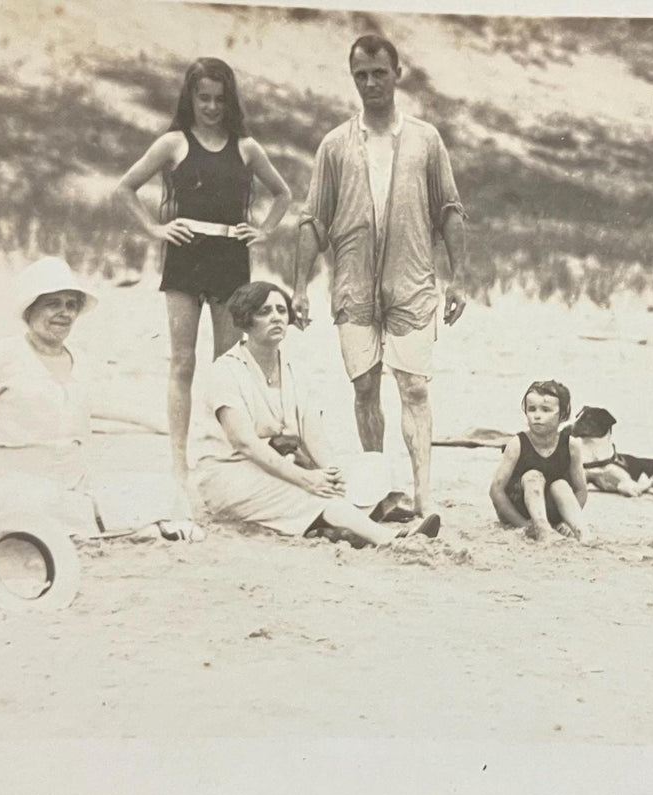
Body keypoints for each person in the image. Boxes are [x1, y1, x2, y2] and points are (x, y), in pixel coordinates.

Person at [0, 257, 187, 583]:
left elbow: (105, 409)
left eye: (71, 305)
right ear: (29, 310)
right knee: (38, 501)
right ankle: (110, 527)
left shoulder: (81, 361)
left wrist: (164, 425)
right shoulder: (0, 358)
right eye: (52, 304)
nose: (64, 313)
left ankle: (81, 525)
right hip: (5, 483)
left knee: (163, 488)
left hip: (74, 484)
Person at [292, 34, 467, 517]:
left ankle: (424, 497)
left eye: (379, 73)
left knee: (414, 387)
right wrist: (298, 287)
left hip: (411, 280)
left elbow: (450, 209)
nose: (370, 83)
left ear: (397, 74)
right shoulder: (334, 145)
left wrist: (459, 278)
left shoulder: (426, 140)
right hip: (352, 282)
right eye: (361, 75)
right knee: (365, 388)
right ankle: (382, 492)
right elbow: (313, 220)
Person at [114, 57, 293, 507]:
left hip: (231, 258)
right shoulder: (173, 143)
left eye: (219, 99)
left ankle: (229, 453)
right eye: (203, 98)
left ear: (229, 100)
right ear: (190, 98)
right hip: (186, 257)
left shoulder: (246, 147)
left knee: (228, 363)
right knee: (183, 362)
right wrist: (155, 229)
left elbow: (283, 193)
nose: (211, 107)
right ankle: (178, 462)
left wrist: (265, 230)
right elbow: (125, 188)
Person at [192, 281, 441, 546]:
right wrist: (308, 479)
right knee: (315, 496)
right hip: (231, 475)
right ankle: (390, 539)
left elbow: (314, 437)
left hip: (282, 468)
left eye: (281, 310)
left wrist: (331, 475)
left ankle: (338, 525)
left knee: (372, 467)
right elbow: (245, 443)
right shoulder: (226, 371)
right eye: (264, 311)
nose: (276, 317)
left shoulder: (295, 370)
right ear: (245, 321)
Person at [489, 380, 589, 542]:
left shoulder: (571, 446)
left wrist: (564, 522)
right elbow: (496, 490)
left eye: (546, 410)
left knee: (561, 485)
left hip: (553, 510)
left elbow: (581, 490)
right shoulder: (517, 444)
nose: (537, 415)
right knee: (532, 476)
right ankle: (542, 529)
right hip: (520, 509)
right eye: (531, 409)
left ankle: (582, 533)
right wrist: (522, 524)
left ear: (562, 415)